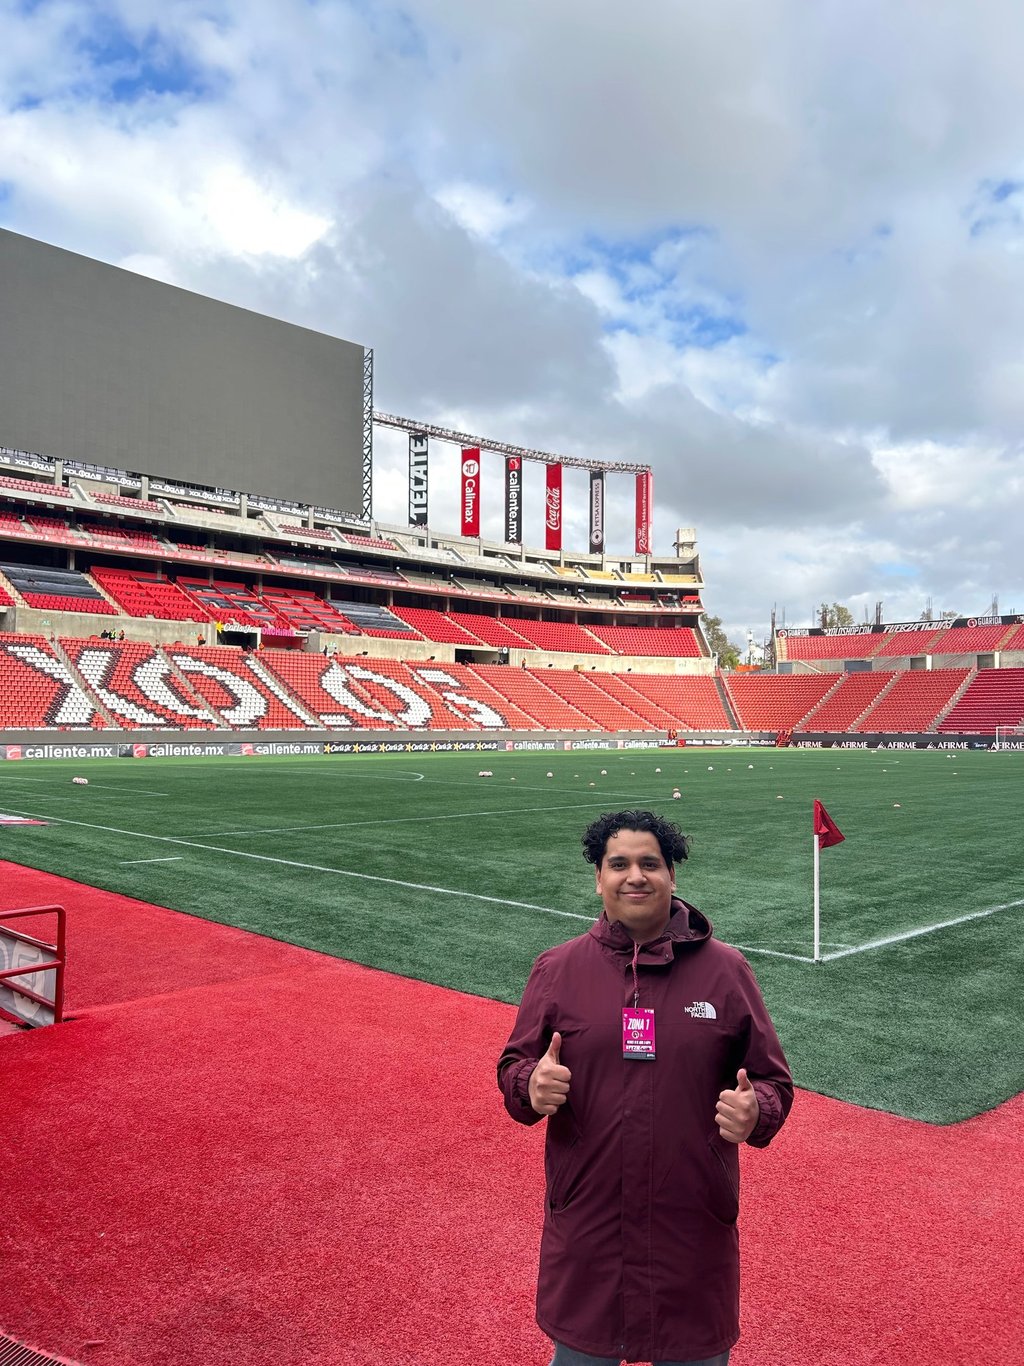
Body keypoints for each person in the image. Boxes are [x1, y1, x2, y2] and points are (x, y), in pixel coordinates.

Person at [497, 810, 793, 1366]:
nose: (635, 876)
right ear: (599, 879)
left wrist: (758, 1113)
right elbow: (515, 1064)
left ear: (672, 876)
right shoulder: (557, 970)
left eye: (650, 863)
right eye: (619, 864)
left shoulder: (726, 972)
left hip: (691, 1229)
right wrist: (529, 1086)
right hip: (591, 1228)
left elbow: (773, 1079)